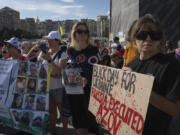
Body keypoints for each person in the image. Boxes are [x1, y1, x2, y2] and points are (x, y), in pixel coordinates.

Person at [125, 14, 180, 135]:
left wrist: (140, 87)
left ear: (160, 39)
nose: (148, 39)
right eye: (142, 35)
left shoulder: (171, 65)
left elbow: (176, 110)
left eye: (154, 35)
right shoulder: (131, 64)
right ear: (134, 40)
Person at [67, 22, 101, 135]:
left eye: (85, 32)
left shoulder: (94, 50)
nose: (82, 34)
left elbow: (101, 71)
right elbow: (68, 70)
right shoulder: (70, 51)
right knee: (78, 122)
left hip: (91, 93)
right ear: (74, 34)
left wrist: (87, 78)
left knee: (92, 124)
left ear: (88, 34)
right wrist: (65, 79)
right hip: (74, 92)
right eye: (79, 31)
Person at [38, 31, 68, 135]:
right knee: (51, 111)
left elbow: (60, 72)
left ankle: (65, 131)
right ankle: (53, 130)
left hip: (59, 87)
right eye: (47, 39)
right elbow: (38, 65)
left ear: (57, 41)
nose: (48, 41)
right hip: (46, 87)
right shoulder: (45, 52)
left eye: (50, 39)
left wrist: (50, 60)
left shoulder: (62, 54)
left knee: (62, 111)